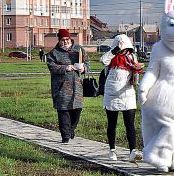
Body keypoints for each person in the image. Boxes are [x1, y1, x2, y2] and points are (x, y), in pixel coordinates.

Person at [99, 34, 144, 162]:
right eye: (120, 47)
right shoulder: (111, 57)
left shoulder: (131, 57)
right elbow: (103, 60)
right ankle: (112, 150)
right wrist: (114, 51)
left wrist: (136, 72)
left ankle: (133, 151)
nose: (122, 50)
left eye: (124, 47)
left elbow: (135, 79)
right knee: (112, 123)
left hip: (127, 94)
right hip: (111, 94)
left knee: (129, 123)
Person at [46, 29, 89, 143]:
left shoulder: (79, 49)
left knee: (77, 110)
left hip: (77, 87)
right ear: (59, 41)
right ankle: (65, 136)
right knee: (63, 111)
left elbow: (87, 63)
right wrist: (65, 68)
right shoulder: (54, 53)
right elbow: (51, 66)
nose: (65, 42)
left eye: (67, 39)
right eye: (62, 40)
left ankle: (71, 129)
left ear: (70, 39)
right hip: (61, 88)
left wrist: (84, 68)